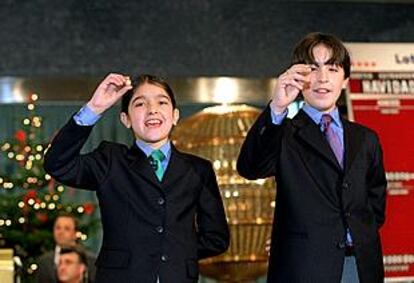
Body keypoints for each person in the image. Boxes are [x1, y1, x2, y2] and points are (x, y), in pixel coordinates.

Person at [43, 73, 230, 283]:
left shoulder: (198, 169)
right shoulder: (110, 160)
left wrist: (172, 253)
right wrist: (94, 108)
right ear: (126, 119)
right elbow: (57, 164)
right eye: (140, 104)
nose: (152, 109)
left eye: (162, 102)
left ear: (175, 115)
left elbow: (217, 238)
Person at [237, 32, 387, 283]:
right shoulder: (283, 133)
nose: (322, 78)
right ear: (298, 76)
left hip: (360, 266)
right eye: (312, 69)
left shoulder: (366, 138)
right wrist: (277, 107)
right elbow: (250, 167)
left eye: (332, 68)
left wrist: (359, 233)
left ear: (346, 79)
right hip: (303, 267)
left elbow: (375, 202)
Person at [36, 214, 96, 283]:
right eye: (58, 228)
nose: (61, 232)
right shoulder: (44, 261)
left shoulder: (91, 260)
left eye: (67, 228)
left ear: (75, 233)